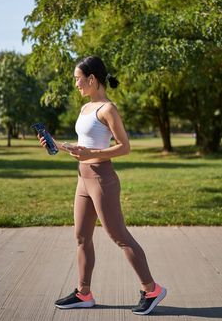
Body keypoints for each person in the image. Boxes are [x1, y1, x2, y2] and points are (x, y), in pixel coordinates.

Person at [39, 56, 166, 315]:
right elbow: (84, 144)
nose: (76, 83)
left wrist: (92, 155)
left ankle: (152, 289)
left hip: (102, 179)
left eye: (78, 79)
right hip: (82, 179)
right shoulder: (86, 108)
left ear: (92, 79)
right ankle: (83, 293)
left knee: (119, 236)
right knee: (82, 237)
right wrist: (58, 145)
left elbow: (125, 146)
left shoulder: (108, 109)